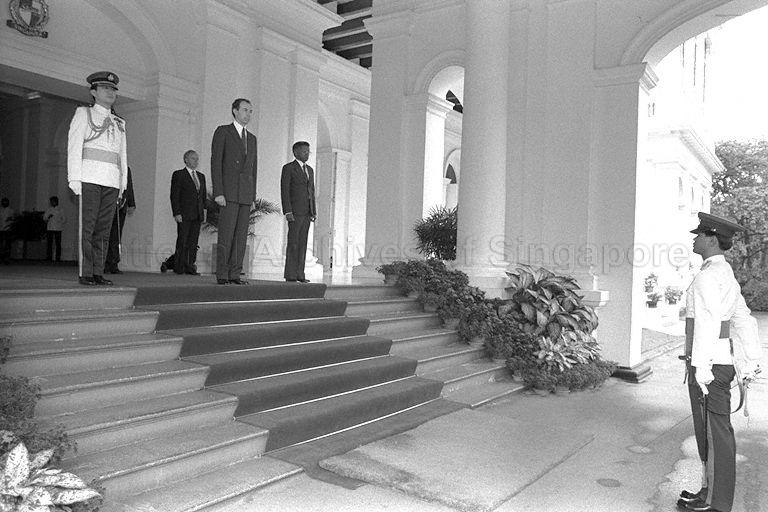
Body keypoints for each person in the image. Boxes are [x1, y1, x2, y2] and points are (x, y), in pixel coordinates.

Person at [677, 212, 763, 512]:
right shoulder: (723, 273)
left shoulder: (709, 276)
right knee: (710, 432)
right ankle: (708, 490)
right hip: (715, 362)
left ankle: (717, 503)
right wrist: (750, 359)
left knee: (716, 433)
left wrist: (700, 367)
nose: (695, 238)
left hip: (709, 365)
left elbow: (709, 323)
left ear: (712, 239)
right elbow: (743, 319)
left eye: (699, 234)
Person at [67, 71, 127, 286]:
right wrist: (75, 179)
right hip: (90, 177)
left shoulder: (119, 122)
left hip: (111, 180)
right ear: (93, 91)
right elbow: (74, 147)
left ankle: (98, 271)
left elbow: (122, 156)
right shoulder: (84, 114)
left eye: (113, 89)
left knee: (104, 229)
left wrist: (122, 185)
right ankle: (86, 272)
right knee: (89, 227)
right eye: (105, 88)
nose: (110, 92)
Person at [210, 98, 258, 285]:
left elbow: (253, 169)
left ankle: (235, 273)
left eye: (251, 111)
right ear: (235, 111)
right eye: (245, 110)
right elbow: (216, 163)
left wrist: (252, 196)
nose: (248, 114)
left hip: (245, 194)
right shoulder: (223, 131)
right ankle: (222, 273)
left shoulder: (252, 139)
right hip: (228, 192)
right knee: (227, 233)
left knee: (240, 235)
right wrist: (218, 192)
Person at [280, 141, 316, 283]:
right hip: (294, 212)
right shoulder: (289, 168)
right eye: (304, 151)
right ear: (295, 153)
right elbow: (284, 190)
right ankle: (290, 274)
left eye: (308, 151)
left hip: (307, 212)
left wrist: (313, 211)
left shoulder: (310, 170)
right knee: (293, 243)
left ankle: (300, 274)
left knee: (303, 243)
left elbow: (311, 191)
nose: (307, 153)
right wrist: (287, 211)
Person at [171, 150, 206, 276]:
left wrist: (204, 212)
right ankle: (179, 266)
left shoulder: (201, 176)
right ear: (186, 159)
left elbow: (202, 197)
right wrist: (177, 212)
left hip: (197, 214)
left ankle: (190, 265)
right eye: (193, 158)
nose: (195, 161)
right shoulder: (179, 174)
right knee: (183, 240)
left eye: (197, 159)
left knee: (193, 242)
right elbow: (174, 195)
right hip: (184, 214)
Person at [104, 167, 135, 274]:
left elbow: (129, 185)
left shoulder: (126, 168)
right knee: (104, 234)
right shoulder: (109, 165)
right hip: (107, 205)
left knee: (116, 235)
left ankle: (113, 263)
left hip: (121, 206)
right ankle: (102, 263)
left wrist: (131, 203)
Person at [44, 196, 66, 262]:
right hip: (50, 228)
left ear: (56, 202)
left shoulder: (61, 209)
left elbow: (64, 219)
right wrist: (48, 217)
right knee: (49, 243)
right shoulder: (49, 209)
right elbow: (44, 218)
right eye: (51, 201)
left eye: (53, 201)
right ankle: (49, 257)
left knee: (58, 243)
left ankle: (58, 258)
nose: (52, 203)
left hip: (58, 229)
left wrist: (59, 222)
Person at [0, 197, 15, 263]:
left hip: (8, 229)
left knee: (7, 244)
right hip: (0, 229)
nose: (4, 203)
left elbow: (13, 219)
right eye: (3, 202)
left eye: (6, 202)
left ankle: (7, 257)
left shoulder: (11, 210)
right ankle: (1, 257)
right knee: (1, 244)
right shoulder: (0, 210)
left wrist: (10, 219)